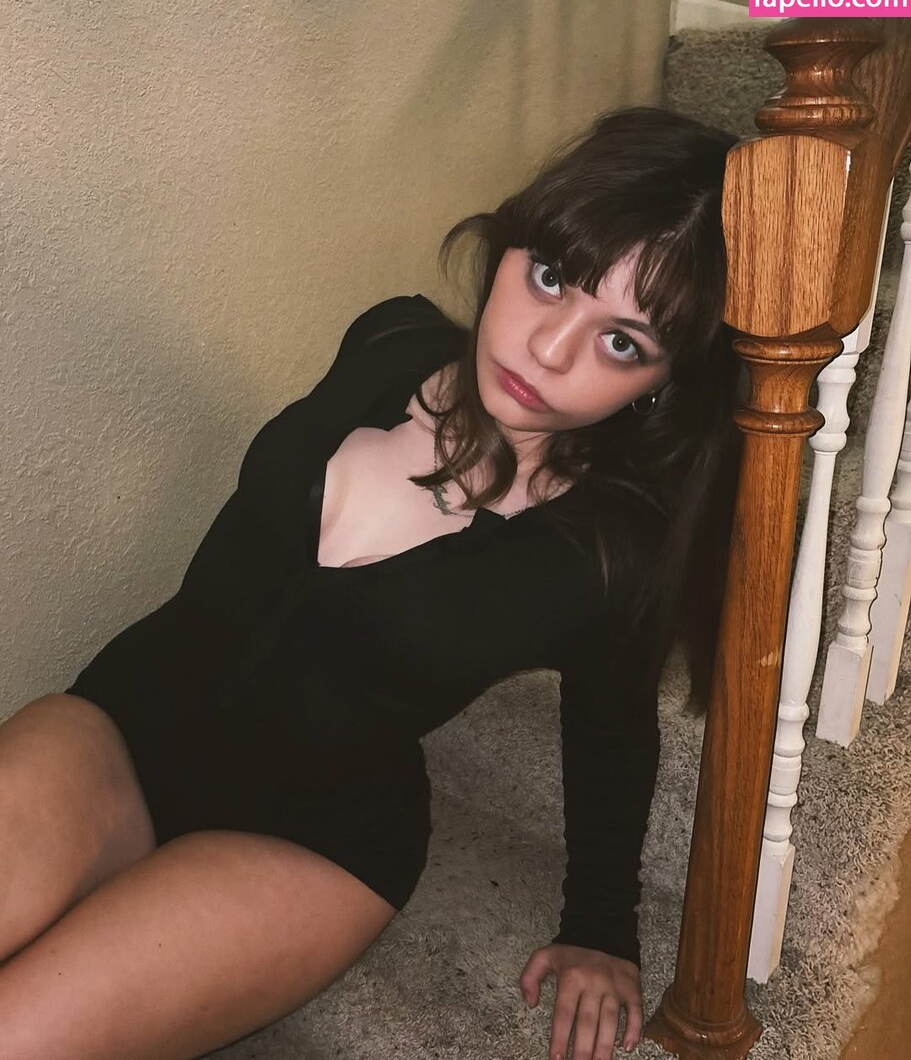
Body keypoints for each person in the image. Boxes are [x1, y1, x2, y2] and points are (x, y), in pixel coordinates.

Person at [0, 105, 741, 1060]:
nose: (548, 350)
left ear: (660, 384)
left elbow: (610, 728)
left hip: (308, 844)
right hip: (117, 727)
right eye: (552, 277)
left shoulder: (603, 556)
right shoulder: (389, 339)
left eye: (622, 342)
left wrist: (601, 927)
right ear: (510, 244)